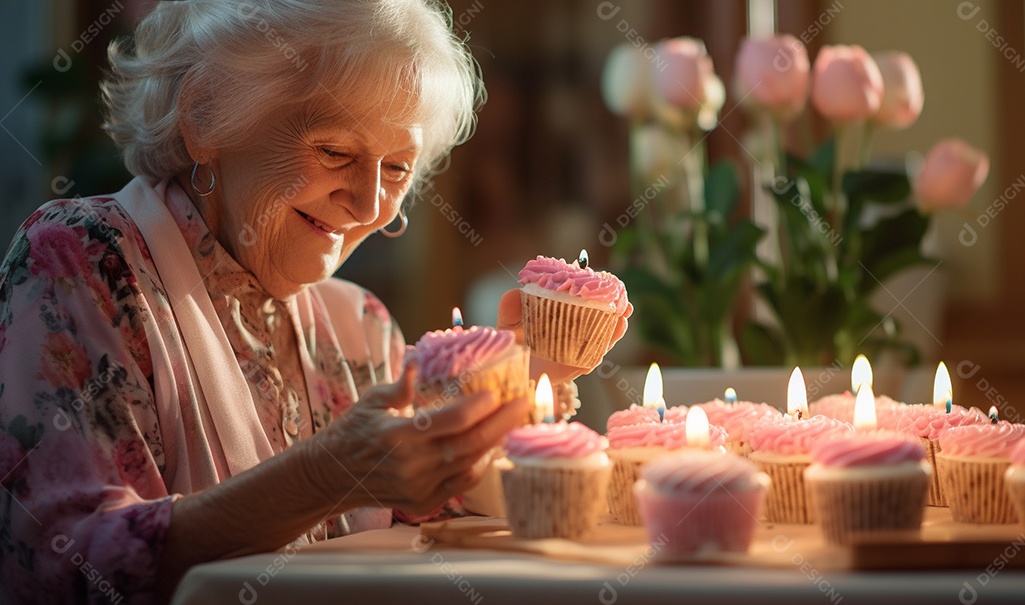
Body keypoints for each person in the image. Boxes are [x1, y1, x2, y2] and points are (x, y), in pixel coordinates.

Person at [0, 1, 627, 602]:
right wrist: (324, 476)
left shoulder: (359, 325)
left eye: (398, 169)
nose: (370, 204)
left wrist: (515, 384)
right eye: (334, 151)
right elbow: (63, 572)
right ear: (205, 120)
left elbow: (428, 513)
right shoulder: (81, 262)